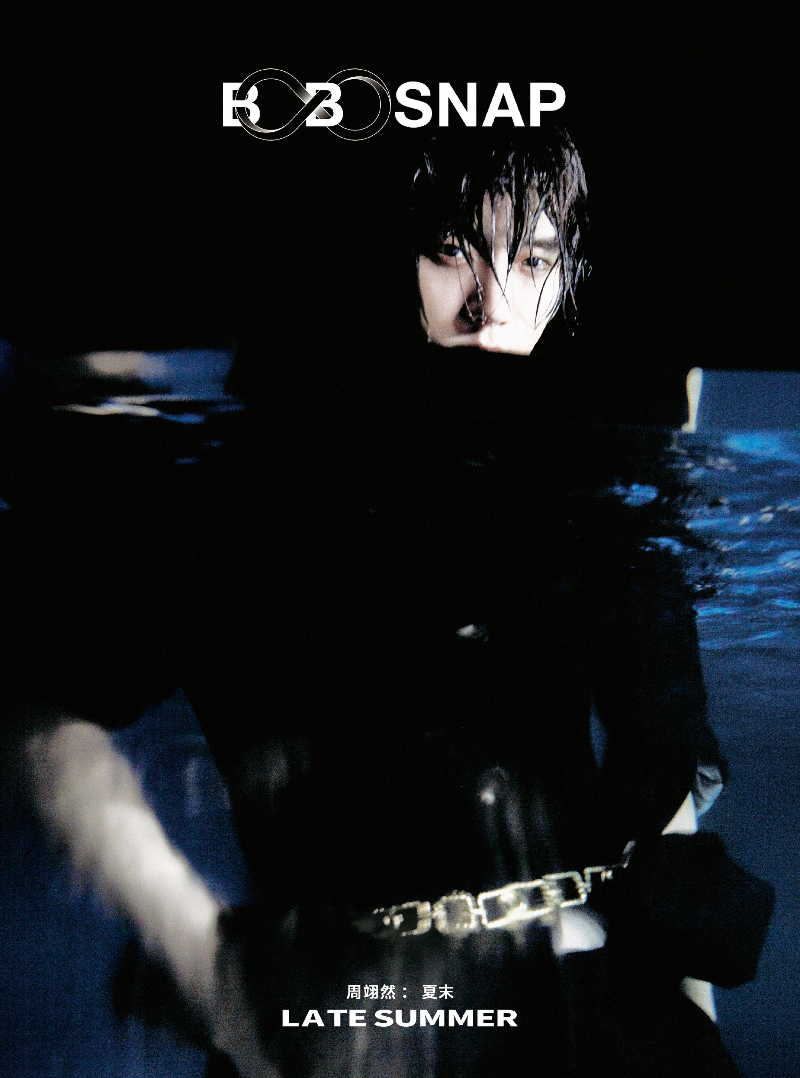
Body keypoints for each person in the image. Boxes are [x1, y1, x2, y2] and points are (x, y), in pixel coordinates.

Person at [6, 127, 774, 1078]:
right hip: (362, 1026)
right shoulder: (260, 495)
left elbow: (662, 802)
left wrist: (688, 1023)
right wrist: (206, 964)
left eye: (534, 260)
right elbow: (40, 702)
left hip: (613, 1014)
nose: (494, 305)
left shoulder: (612, 493)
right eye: (452, 251)